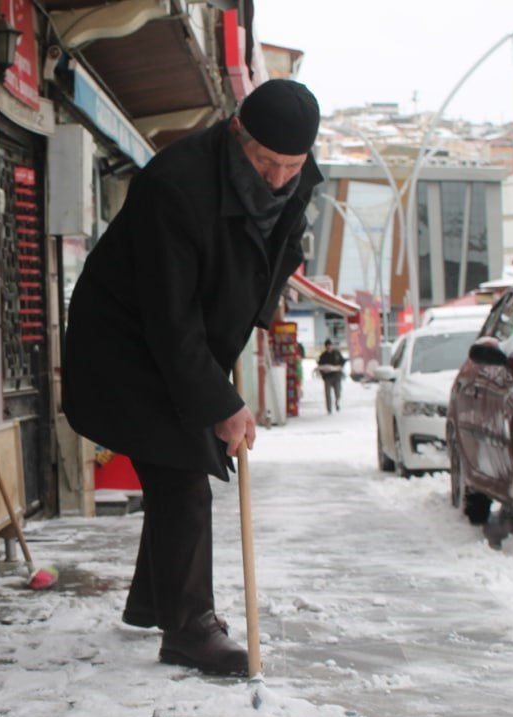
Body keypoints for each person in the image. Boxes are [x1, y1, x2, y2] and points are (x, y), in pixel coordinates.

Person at [62, 79, 322, 677]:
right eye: (266, 162)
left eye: (292, 165)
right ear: (237, 133)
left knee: (176, 463)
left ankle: (154, 600)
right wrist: (221, 402)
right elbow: (169, 316)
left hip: (183, 338)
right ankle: (189, 628)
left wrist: (257, 314)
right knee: (183, 470)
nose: (279, 178)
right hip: (124, 345)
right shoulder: (174, 187)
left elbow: (280, 247)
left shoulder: (297, 177)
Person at [316, 338, 345, 413]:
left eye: (330, 345)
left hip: (336, 376)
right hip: (327, 377)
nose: (329, 347)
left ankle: (337, 402)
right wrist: (322, 371)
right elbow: (319, 365)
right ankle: (329, 409)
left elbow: (342, 361)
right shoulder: (323, 355)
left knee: (338, 392)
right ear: (325, 347)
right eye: (327, 346)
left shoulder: (337, 353)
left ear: (332, 346)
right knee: (327, 394)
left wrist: (340, 367)